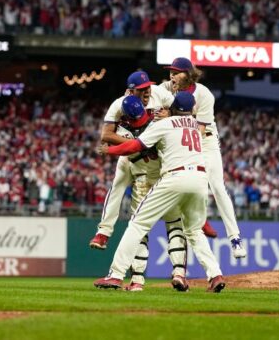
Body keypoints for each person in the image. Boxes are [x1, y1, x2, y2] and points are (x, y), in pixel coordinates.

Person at [93, 92, 226, 293]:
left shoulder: (165, 124)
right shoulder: (194, 125)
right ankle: (215, 275)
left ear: (173, 107)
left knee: (138, 224)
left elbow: (133, 146)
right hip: (200, 180)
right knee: (193, 231)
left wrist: (109, 150)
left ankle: (116, 275)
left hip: (175, 177)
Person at [161, 57, 247, 258]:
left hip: (204, 141)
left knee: (217, 186)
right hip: (181, 139)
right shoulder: (165, 88)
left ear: (188, 74)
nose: (172, 75)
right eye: (170, 71)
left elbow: (198, 130)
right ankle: (201, 221)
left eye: (177, 72)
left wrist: (170, 117)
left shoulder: (204, 94)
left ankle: (235, 238)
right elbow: (146, 95)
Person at [89, 71, 176, 251]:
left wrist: (170, 114)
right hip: (130, 154)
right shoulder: (119, 105)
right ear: (130, 91)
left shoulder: (158, 93)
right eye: (142, 89)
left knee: (142, 203)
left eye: (148, 87)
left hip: (152, 160)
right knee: (117, 186)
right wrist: (136, 144)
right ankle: (103, 233)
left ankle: (144, 251)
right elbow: (106, 135)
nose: (147, 92)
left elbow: (182, 109)